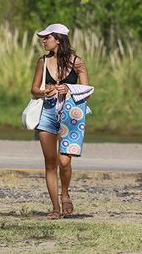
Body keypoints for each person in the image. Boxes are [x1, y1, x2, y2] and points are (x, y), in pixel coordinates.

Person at [30, 23, 89, 219]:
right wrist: (44, 91)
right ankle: (55, 207)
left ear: (58, 40)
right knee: (50, 162)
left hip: (70, 114)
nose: (43, 40)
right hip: (47, 113)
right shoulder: (43, 61)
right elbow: (33, 89)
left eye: (47, 37)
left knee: (64, 162)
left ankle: (65, 194)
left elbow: (87, 90)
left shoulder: (77, 62)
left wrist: (69, 89)